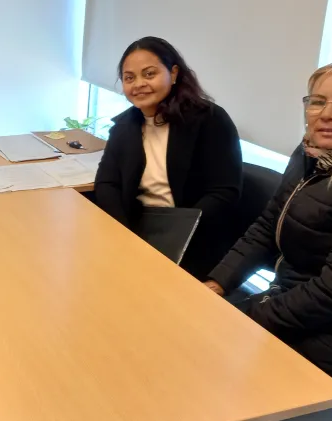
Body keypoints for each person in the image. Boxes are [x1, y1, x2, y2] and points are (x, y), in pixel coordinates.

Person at [206, 60, 332, 399]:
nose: (327, 113)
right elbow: (267, 226)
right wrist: (217, 284)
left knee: (221, 369)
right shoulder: (312, 152)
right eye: (317, 101)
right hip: (301, 307)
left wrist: (251, 315)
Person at [94, 36, 243, 280]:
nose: (139, 84)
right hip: (138, 228)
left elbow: (224, 192)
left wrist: (178, 232)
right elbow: (107, 183)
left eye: (149, 74)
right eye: (129, 78)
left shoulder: (210, 120)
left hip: (193, 238)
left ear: (173, 74)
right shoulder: (125, 126)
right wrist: (123, 235)